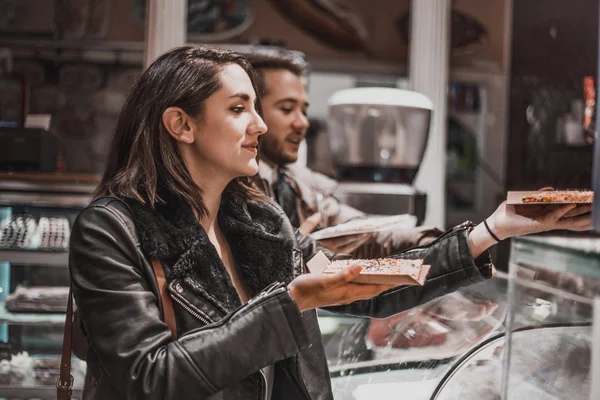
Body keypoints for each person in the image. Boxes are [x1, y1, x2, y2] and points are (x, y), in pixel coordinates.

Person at [69, 46, 591, 400]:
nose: (261, 124)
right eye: (238, 108)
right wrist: (292, 302)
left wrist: (493, 229)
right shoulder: (112, 230)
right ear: (181, 124)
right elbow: (149, 375)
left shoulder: (258, 218)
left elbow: (367, 284)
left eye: (257, 106)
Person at [247, 54, 442, 257]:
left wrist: (442, 243)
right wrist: (302, 253)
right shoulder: (235, 188)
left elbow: (368, 234)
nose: (302, 123)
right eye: (287, 109)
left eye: (304, 111)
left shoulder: (297, 181)